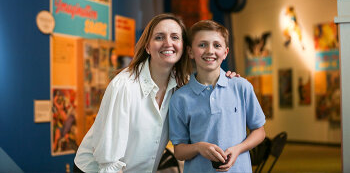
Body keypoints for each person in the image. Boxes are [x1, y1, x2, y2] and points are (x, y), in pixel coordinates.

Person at [74, 14, 238, 173]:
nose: (168, 43)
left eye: (175, 37)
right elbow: (109, 161)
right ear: (147, 46)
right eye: (159, 37)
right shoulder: (124, 86)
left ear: (184, 48)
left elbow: (209, 91)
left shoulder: (183, 85)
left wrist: (228, 80)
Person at [169, 20, 266, 172]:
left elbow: (259, 131)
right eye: (202, 45)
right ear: (190, 52)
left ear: (225, 52)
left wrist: (239, 149)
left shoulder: (242, 87)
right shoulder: (180, 98)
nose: (210, 51)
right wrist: (199, 147)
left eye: (217, 45)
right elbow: (179, 151)